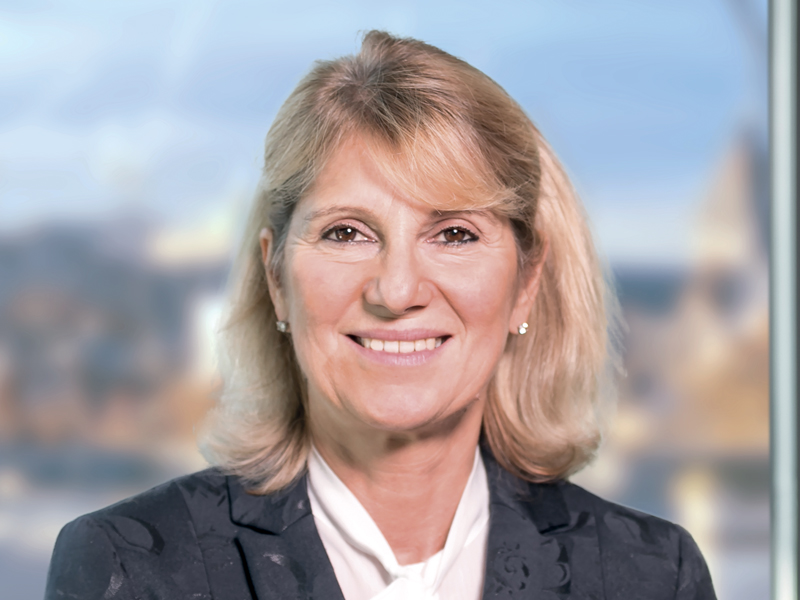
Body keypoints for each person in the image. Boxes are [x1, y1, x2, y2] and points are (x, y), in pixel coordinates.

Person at [45, 31, 716, 600]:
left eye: (454, 233)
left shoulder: (652, 576)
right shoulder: (132, 569)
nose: (396, 291)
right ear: (277, 279)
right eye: (347, 233)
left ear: (525, 284)